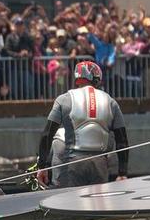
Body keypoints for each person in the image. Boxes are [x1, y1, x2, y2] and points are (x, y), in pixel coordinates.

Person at [36, 60, 128, 188]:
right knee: (98, 205)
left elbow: (47, 134)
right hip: (100, 164)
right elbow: (122, 139)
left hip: (72, 163)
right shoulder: (111, 102)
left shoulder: (64, 99)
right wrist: (122, 172)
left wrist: (42, 166)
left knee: (69, 204)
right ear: (96, 78)